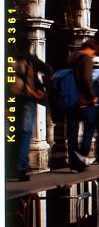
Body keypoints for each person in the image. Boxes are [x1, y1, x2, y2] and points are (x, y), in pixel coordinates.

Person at [10, 46, 52, 181]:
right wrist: (44, 87)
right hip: (27, 99)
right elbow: (48, 70)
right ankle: (21, 168)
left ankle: (12, 166)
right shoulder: (30, 59)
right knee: (25, 133)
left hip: (9, 99)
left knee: (12, 133)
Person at [66, 38, 99, 172]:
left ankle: (73, 164)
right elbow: (86, 79)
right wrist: (92, 97)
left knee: (72, 134)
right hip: (83, 101)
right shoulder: (86, 59)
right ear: (91, 48)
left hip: (70, 101)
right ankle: (82, 155)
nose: (93, 56)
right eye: (94, 53)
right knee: (89, 128)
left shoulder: (70, 58)